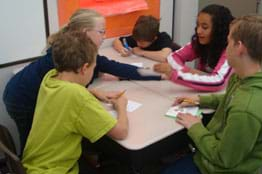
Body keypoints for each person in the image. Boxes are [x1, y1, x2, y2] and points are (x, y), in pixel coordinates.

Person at [2, 9, 161, 154]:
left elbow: (114, 67)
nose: (104, 36)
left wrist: (157, 73)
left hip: (24, 89)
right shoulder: (65, 57)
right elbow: (120, 131)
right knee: (33, 145)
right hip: (22, 98)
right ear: (85, 33)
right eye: (101, 32)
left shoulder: (75, 51)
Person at [159, 14, 262, 174]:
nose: (225, 48)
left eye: (228, 42)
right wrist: (200, 100)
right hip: (209, 157)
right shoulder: (246, 77)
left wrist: (196, 127)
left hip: (220, 173)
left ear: (239, 47)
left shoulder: (247, 109)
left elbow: (224, 158)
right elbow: (230, 98)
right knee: (166, 172)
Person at [22, 31, 128, 174]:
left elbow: (67, 95)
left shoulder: (51, 77)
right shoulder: (78, 96)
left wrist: (93, 92)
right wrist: (121, 106)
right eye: (93, 68)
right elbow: (121, 132)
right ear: (84, 68)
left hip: (34, 166)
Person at [154, 4, 234, 92]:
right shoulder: (198, 42)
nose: (198, 31)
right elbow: (173, 57)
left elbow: (217, 82)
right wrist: (186, 71)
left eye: (205, 27)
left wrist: (176, 74)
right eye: (198, 25)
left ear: (219, 30)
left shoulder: (230, 50)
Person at [113, 15, 180, 62]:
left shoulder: (163, 38)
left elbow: (165, 57)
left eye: (142, 43)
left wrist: (142, 52)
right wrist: (122, 49)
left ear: (154, 38)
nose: (138, 44)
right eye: (137, 41)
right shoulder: (139, 37)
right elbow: (116, 41)